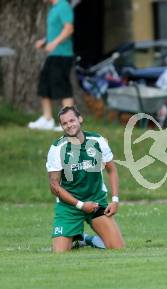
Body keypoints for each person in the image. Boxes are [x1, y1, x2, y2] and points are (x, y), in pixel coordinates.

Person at [46, 106, 124, 252]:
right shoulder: (57, 149)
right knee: (59, 253)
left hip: (96, 202)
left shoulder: (98, 141)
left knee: (118, 249)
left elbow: (112, 170)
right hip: (69, 207)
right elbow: (54, 186)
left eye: (72, 120)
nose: (69, 125)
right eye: (65, 123)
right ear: (61, 126)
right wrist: (80, 205)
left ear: (80, 119)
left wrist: (115, 200)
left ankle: (88, 239)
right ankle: (78, 238)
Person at [28, 0, 75, 131]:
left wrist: (54, 43)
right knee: (44, 86)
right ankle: (47, 119)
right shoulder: (54, 8)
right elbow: (56, 31)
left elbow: (68, 28)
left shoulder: (64, 6)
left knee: (63, 87)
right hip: (53, 55)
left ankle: (69, 123)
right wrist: (44, 41)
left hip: (63, 55)